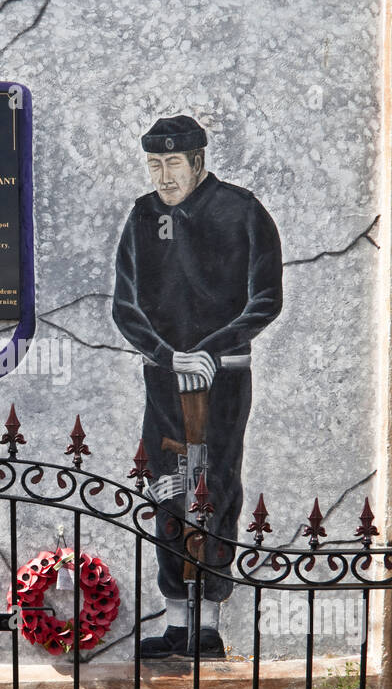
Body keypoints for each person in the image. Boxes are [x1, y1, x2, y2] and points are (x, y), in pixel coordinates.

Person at [112, 115, 283, 659]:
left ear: (198, 162)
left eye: (173, 164)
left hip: (224, 376)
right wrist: (168, 356)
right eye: (155, 165)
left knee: (216, 485)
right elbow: (125, 304)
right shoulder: (143, 215)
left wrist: (209, 352)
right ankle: (176, 617)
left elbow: (266, 299)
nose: (164, 177)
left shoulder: (243, 210)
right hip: (164, 378)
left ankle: (207, 619)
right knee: (168, 485)